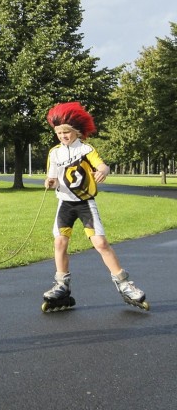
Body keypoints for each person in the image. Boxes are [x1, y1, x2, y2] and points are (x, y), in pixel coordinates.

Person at [43, 101, 147, 308]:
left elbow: (102, 165)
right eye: (59, 133)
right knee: (60, 243)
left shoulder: (85, 148)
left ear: (76, 131)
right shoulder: (54, 153)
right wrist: (49, 181)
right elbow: (51, 176)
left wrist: (103, 171)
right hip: (64, 204)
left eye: (67, 132)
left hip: (85, 203)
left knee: (100, 243)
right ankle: (61, 284)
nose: (63, 136)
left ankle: (124, 283)